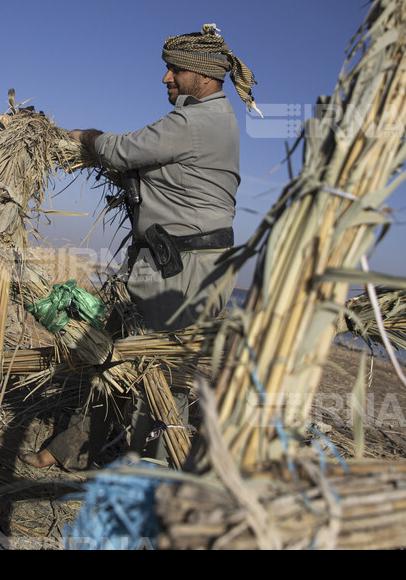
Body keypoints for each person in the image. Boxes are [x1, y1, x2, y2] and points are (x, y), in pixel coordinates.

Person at [20, 24, 258, 470]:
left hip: (183, 272)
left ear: (203, 76)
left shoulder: (196, 120)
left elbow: (122, 150)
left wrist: (85, 136)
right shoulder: (208, 119)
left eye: (174, 70)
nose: (166, 78)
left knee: (165, 375)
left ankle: (155, 477)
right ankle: (75, 446)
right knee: (110, 349)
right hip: (169, 262)